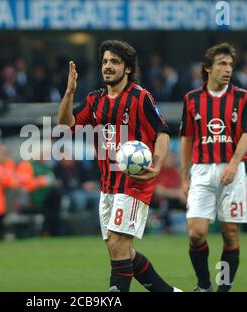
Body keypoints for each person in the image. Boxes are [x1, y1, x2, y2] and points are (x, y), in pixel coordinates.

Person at [57, 40, 180, 292]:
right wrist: (69, 92)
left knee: (117, 245)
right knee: (123, 251)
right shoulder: (94, 100)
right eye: (104, 62)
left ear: (127, 68)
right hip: (108, 186)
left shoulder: (141, 97)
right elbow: (64, 124)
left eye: (114, 62)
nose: (108, 67)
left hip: (134, 183)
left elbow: (163, 132)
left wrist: (156, 164)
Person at [179, 42, 247, 292]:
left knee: (230, 233)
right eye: (222, 64)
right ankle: (204, 284)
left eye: (230, 65)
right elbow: (187, 138)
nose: (227, 69)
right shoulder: (192, 99)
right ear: (207, 68)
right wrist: (184, 176)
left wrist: (234, 164)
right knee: (196, 233)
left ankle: (223, 288)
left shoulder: (241, 97)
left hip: (232, 171)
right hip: (202, 170)